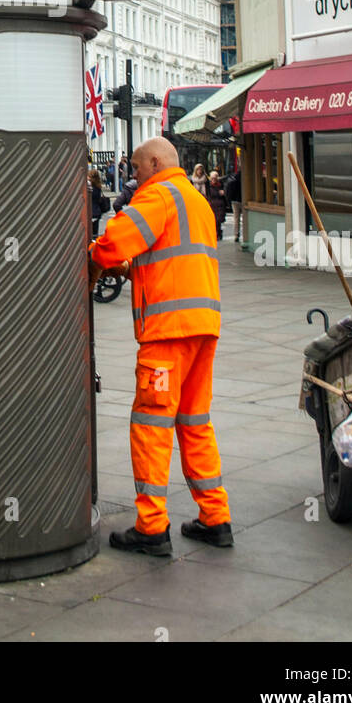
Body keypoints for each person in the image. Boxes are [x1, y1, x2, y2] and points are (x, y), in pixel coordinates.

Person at [88, 136, 232, 556]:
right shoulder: (195, 200)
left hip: (168, 332)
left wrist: (96, 259)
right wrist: (135, 273)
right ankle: (215, 517)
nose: (133, 176)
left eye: (136, 168)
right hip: (202, 326)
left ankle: (151, 526)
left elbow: (115, 240)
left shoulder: (159, 195)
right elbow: (171, 263)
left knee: (151, 423)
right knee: (195, 421)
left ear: (155, 163)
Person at [206, 170, 227, 240]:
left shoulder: (221, 185)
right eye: (212, 178)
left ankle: (218, 233)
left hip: (220, 205)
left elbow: (225, 195)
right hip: (212, 205)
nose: (213, 180)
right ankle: (217, 234)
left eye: (214, 178)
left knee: (218, 221)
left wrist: (224, 193)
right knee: (214, 221)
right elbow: (208, 195)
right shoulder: (208, 186)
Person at [88, 168, 109, 238]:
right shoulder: (98, 187)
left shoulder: (89, 188)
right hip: (97, 212)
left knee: (89, 234)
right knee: (95, 233)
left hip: (90, 213)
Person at [225, 164, 242, 242]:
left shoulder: (233, 178)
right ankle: (245, 234)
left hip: (234, 201)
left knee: (236, 219)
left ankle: (236, 234)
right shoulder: (245, 177)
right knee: (245, 219)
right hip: (243, 200)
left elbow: (229, 192)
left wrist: (229, 201)